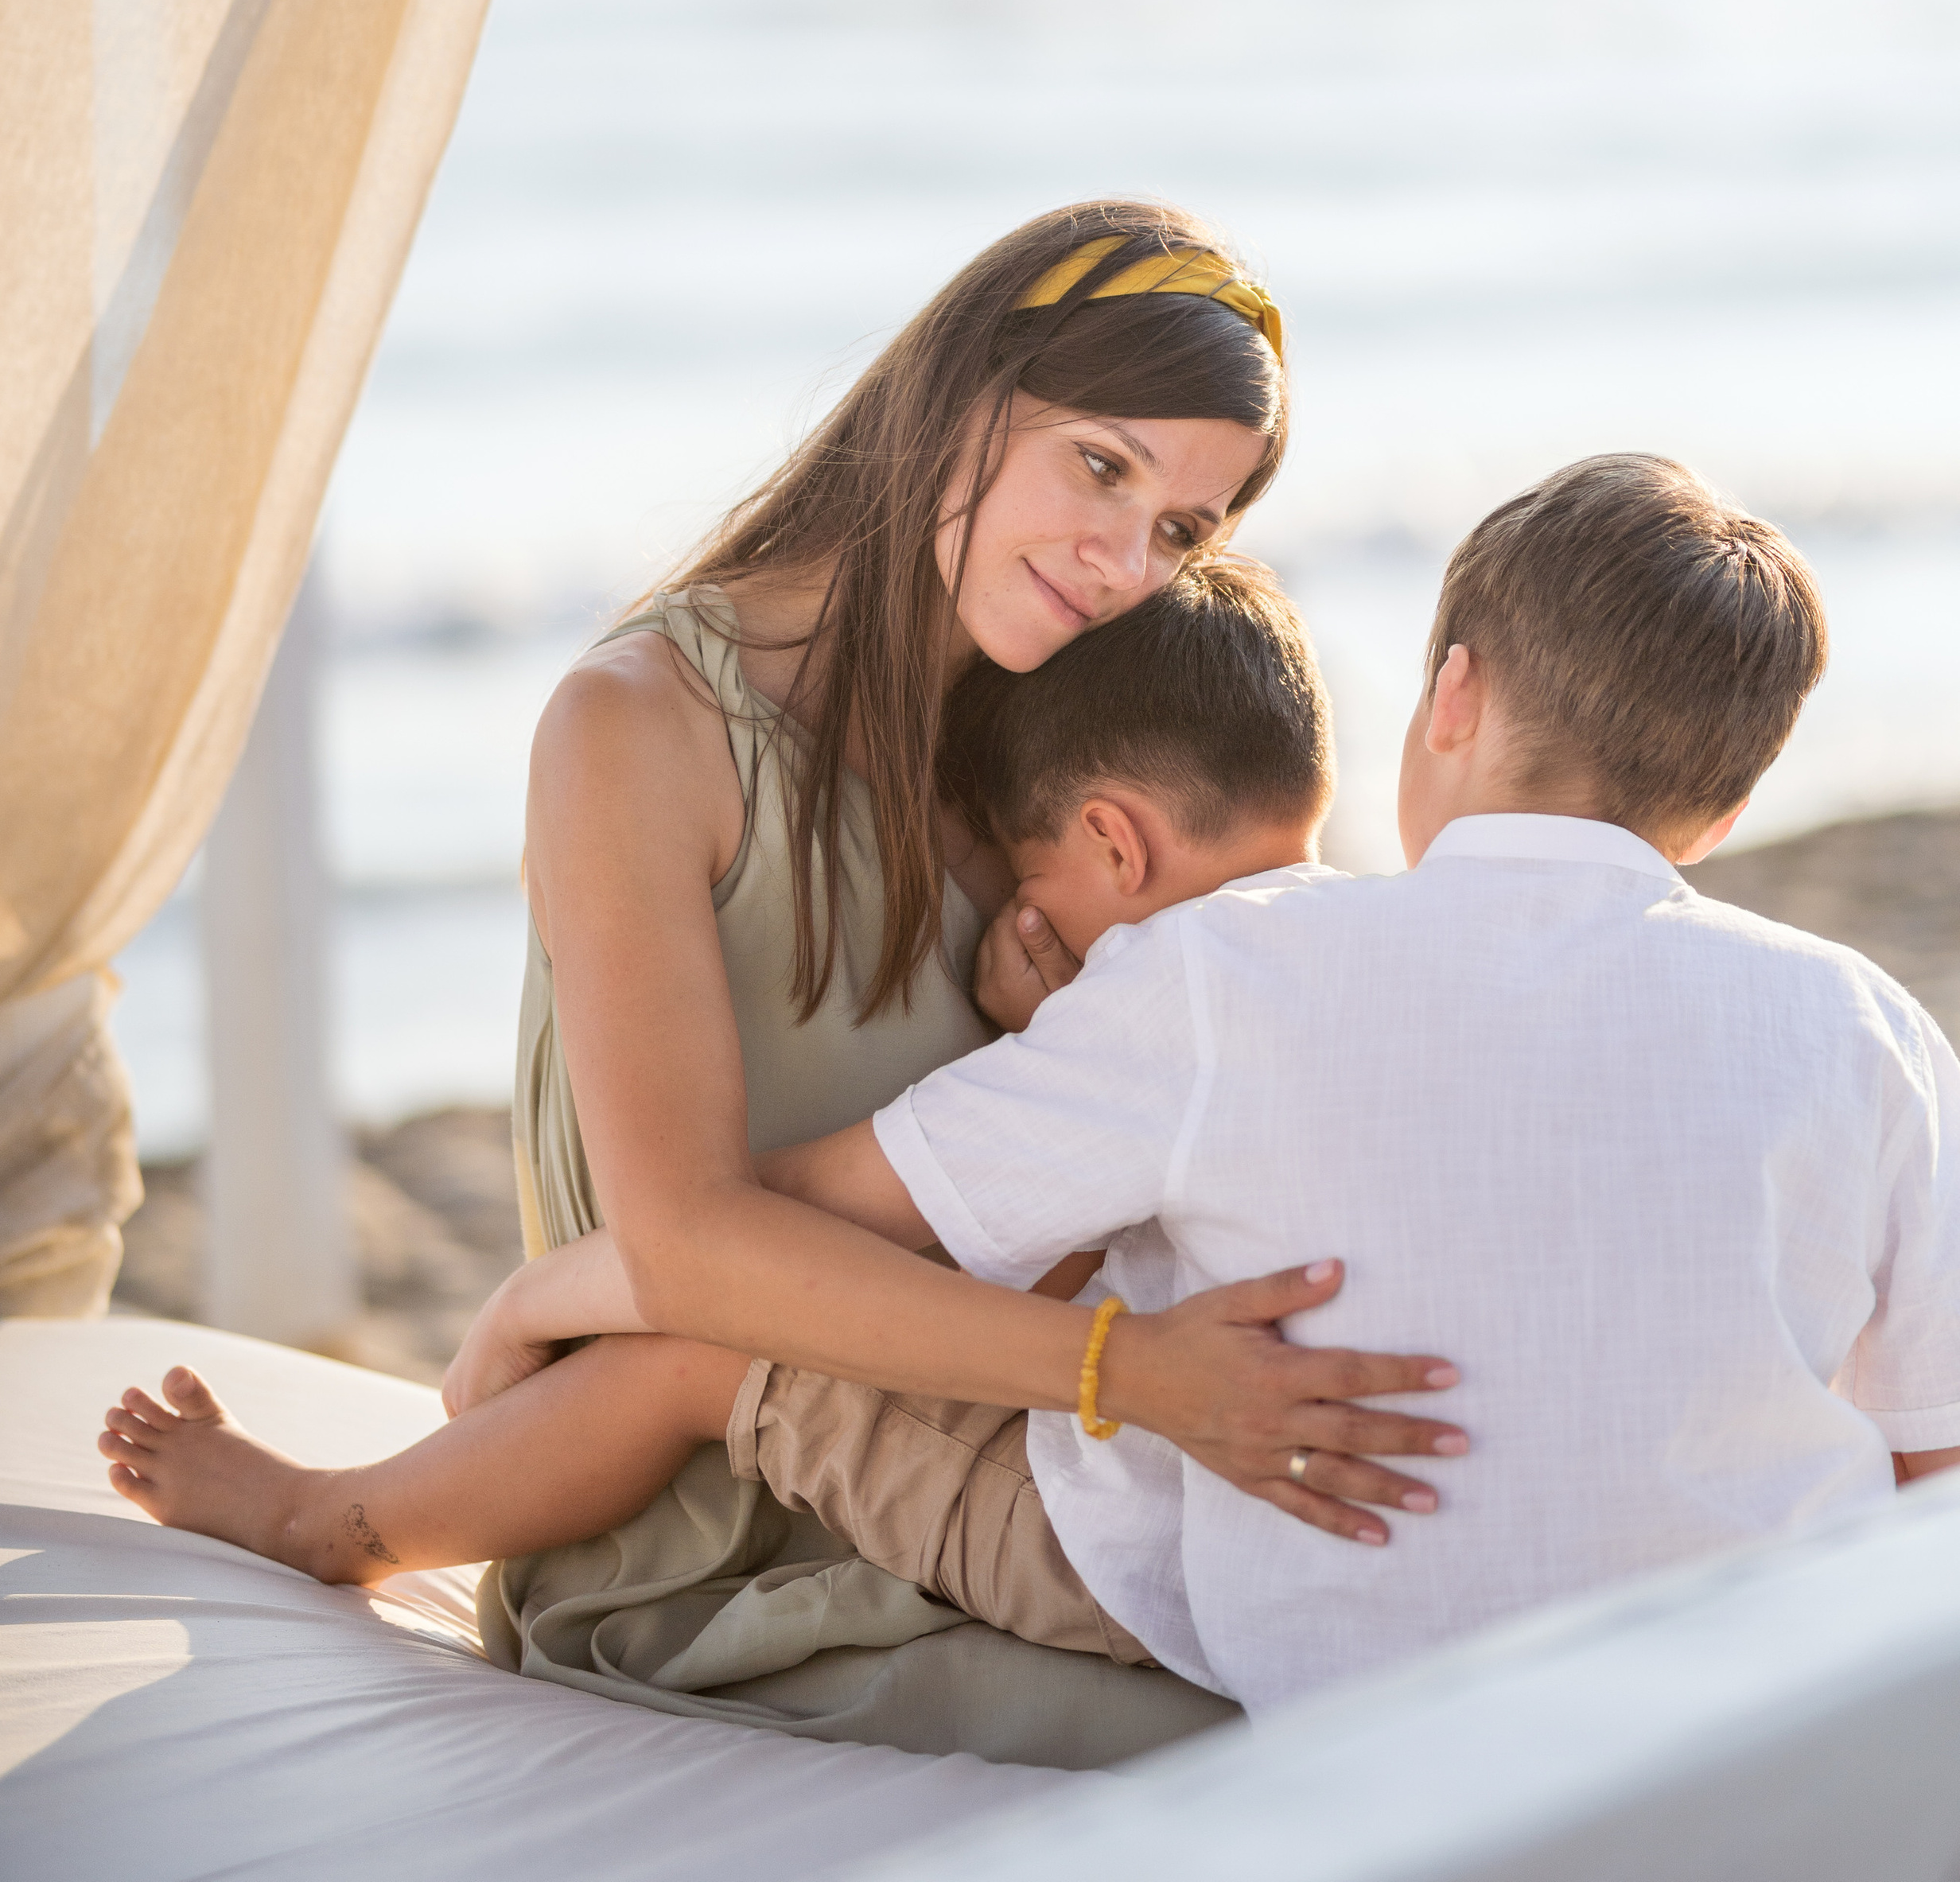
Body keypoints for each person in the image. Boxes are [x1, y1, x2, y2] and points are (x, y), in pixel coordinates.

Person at [106, 454, 1960, 1709]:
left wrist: (542, 1295)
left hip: (1299, 1634)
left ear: (1450, 697)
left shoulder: (1233, 973)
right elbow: (1920, 1465)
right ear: (1726, 805)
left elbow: (790, 1230)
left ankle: (331, 1522)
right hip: (1715, 1697)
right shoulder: (1862, 1029)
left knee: (705, 1352)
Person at [103, 206, 1464, 1765]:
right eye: (1100, 466)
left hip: (1011, 1474)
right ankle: (328, 1520)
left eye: (1179, 529)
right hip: (715, 1514)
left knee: (1377, 1699)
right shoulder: (637, 727)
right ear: (958, 395)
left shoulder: (1057, 752)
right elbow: (687, 1249)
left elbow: (1096, 1168)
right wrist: (1126, 1377)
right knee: (1308, 1757)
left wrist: (1043, 1036)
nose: (1121, 563)